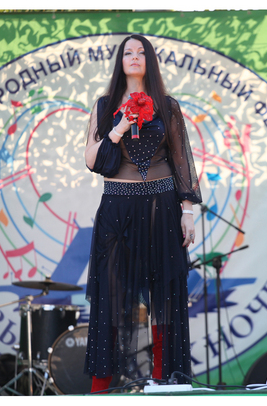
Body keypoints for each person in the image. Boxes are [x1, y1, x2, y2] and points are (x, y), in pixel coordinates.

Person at [83, 34, 202, 393]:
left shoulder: (168, 105)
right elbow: (91, 160)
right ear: (120, 62)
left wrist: (187, 211)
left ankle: (165, 383)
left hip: (161, 207)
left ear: (149, 60)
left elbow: (181, 160)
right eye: (127, 53)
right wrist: (119, 127)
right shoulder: (104, 105)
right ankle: (101, 390)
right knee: (110, 297)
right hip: (117, 208)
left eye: (141, 52)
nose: (134, 57)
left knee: (164, 298)